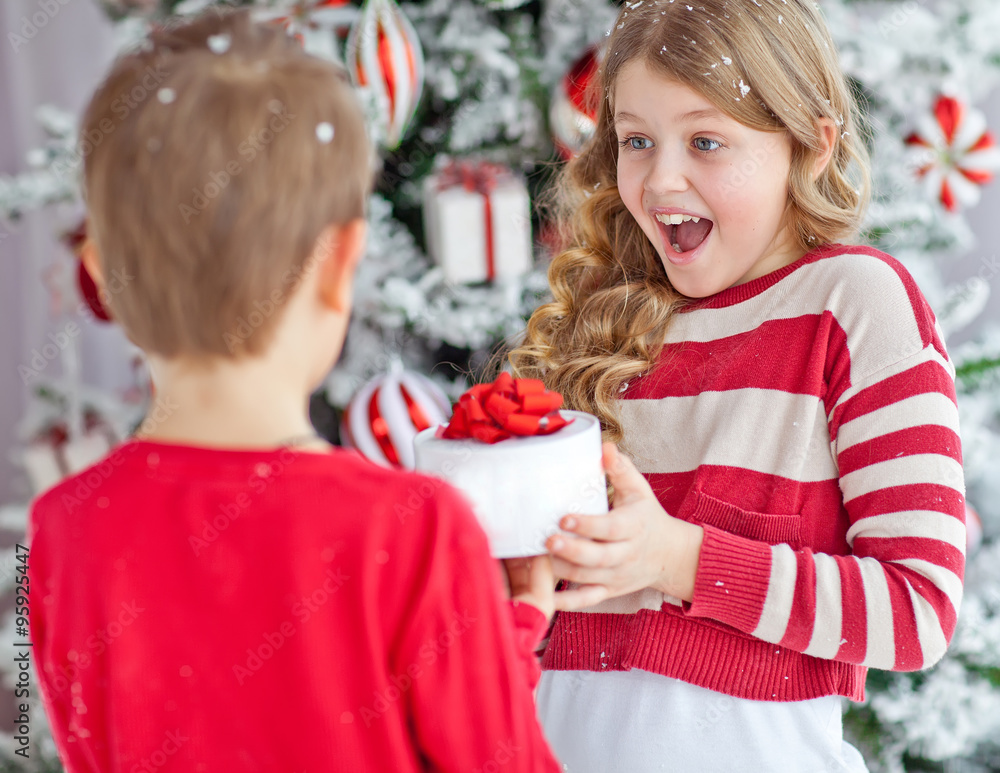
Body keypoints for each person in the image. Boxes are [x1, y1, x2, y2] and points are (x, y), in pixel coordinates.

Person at [27, 10, 561, 772]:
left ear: (104, 270)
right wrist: (511, 635)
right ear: (343, 263)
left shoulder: (63, 531)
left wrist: (496, 632)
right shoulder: (409, 530)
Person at [510, 1, 966, 771]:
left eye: (707, 140)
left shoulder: (851, 303)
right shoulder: (606, 332)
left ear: (809, 145)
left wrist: (679, 559)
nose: (661, 178)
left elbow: (918, 609)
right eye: (637, 141)